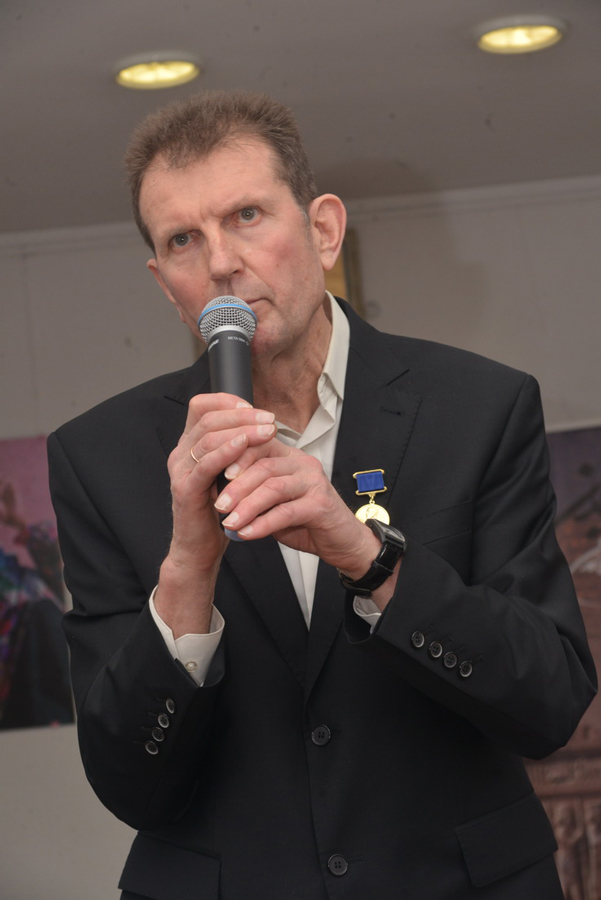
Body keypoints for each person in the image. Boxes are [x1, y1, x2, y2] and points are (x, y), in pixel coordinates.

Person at [48, 91, 596, 900]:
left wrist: (370, 561)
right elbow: (128, 781)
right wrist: (188, 568)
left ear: (324, 230)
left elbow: (549, 702)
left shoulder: (479, 407)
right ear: (166, 283)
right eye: (183, 239)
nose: (221, 262)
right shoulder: (100, 457)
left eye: (245, 216)